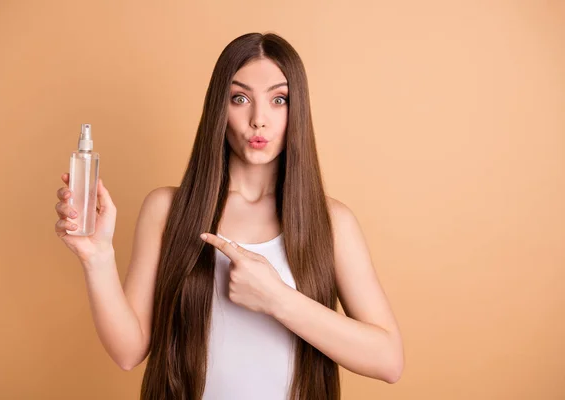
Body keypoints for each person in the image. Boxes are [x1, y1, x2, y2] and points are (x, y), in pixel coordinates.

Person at [54, 32, 403, 400]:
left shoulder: (332, 222)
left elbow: (388, 360)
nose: (258, 120)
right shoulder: (168, 210)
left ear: (297, 109)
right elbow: (128, 352)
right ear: (219, 108)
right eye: (240, 98)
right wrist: (97, 258)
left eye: (279, 100)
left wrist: (277, 299)